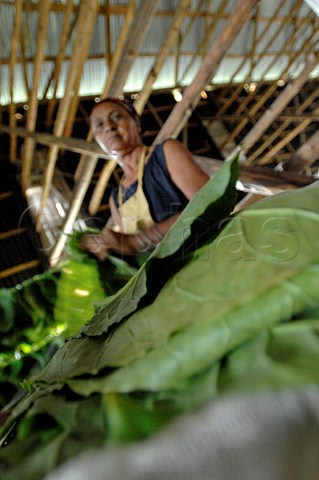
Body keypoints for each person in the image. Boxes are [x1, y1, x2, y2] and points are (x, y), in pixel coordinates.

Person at [80, 97, 209, 260]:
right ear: (98, 140)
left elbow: (211, 204)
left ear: (137, 124)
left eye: (116, 117)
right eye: (100, 125)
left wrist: (139, 239)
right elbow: (136, 254)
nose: (109, 128)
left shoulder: (166, 153)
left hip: (206, 256)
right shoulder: (116, 199)